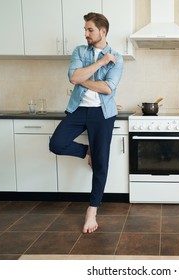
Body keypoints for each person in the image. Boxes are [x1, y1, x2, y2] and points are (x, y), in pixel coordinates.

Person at [49, 12, 124, 233]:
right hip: (78, 109)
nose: (86, 33)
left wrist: (84, 79)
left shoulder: (117, 58)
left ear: (103, 31)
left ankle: (92, 211)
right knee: (57, 143)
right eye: (85, 29)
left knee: (101, 163)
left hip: (103, 113)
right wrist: (101, 63)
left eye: (90, 29)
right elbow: (73, 77)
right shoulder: (80, 51)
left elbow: (108, 88)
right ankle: (88, 149)